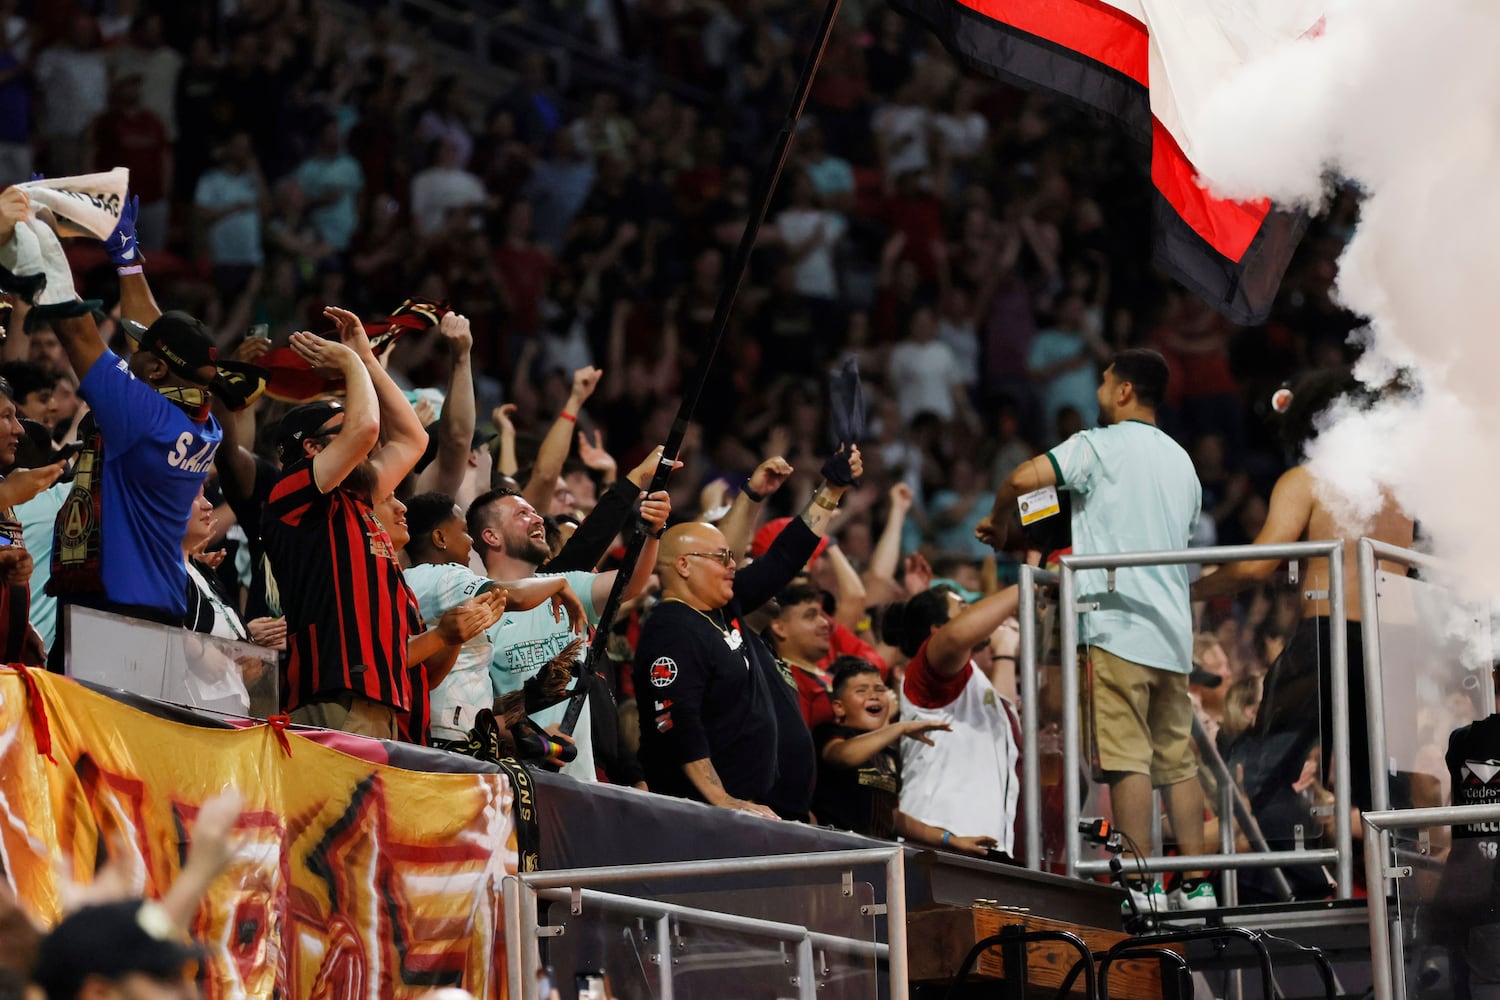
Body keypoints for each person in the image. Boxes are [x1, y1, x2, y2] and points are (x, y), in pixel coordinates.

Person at [979, 348, 1211, 910]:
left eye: (1104, 382)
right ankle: (1199, 886)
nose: (1098, 391)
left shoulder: (1096, 446)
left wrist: (996, 517)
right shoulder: (1184, 462)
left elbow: (1018, 477)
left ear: (1125, 390)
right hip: (1173, 633)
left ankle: (1140, 885)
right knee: (1176, 762)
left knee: (1128, 759)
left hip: (1113, 625)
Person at [0, 188, 239, 669]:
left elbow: (76, 329)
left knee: (97, 742)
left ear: (153, 372)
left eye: (140, 354)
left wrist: (36, 235)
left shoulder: (140, 418)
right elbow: (161, 339)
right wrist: (127, 259)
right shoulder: (202, 423)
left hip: (110, 616)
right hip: (159, 612)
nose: (130, 353)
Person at [1189, 368, 1415, 848]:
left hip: (1333, 637)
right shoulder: (1397, 491)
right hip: (1396, 643)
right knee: (1385, 785)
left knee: (1263, 769)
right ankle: (1393, 904)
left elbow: (1255, 565)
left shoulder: (1309, 480)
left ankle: (1282, 883)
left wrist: (1187, 589)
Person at [263, 308, 500, 740]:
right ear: (313, 448)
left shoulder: (356, 499)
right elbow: (367, 429)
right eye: (341, 429)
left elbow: (413, 439)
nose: (367, 453)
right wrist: (352, 366)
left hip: (383, 704)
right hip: (333, 697)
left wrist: (366, 359)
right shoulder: (294, 494)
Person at [633, 446, 861, 820]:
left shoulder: (724, 609)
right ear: (685, 566)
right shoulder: (671, 627)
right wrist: (722, 800)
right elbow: (677, 725)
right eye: (721, 558)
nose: (732, 565)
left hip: (746, 815)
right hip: (698, 817)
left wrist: (831, 491)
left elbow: (786, 555)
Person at [467, 482, 670, 781]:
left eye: (535, 512)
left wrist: (652, 533)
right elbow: (469, 724)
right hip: (513, 788)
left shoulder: (567, 585)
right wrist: (532, 738)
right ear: (491, 536)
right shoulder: (478, 608)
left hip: (579, 784)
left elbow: (630, 583)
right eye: (522, 513)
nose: (538, 519)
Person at [401, 491, 586, 747]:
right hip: (450, 734)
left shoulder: (415, 580)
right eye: (465, 531)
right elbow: (515, 596)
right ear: (440, 538)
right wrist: (559, 583)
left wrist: (526, 698)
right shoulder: (441, 577)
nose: (471, 542)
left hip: (448, 727)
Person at [884, 584, 1023, 859]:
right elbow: (956, 637)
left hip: (976, 844)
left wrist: (1004, 653)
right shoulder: (928, 671)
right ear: (937, 631)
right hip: (936, 842)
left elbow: (1004, 706)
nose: (978, 616)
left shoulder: (973, 679)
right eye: (964, 610)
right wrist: (1026, 585)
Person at [815, 656, 997, 855]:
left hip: (881, 859)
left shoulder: (889, 753)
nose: (873, 695)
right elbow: (843, 756)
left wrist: (950, 840)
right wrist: (900, 728)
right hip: (837, 856)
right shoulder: (830, 734)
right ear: (839, 707)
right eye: (861, 690)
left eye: (879, 689)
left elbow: (893, 818)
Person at [764, 581, 835, 730]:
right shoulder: (786, 683)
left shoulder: (830, 674)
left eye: (821, 615)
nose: (824, 623)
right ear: (779, 627)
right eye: (810, 616)